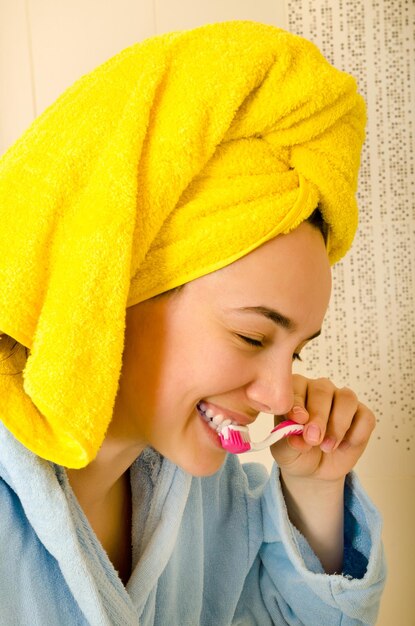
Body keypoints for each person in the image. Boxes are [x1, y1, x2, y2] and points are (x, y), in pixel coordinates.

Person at [0, 21, 386, 625]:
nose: (279, 396)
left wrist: (316, 491)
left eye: (296, 353)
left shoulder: (207, 496)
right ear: (112, 288)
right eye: (253, 337)